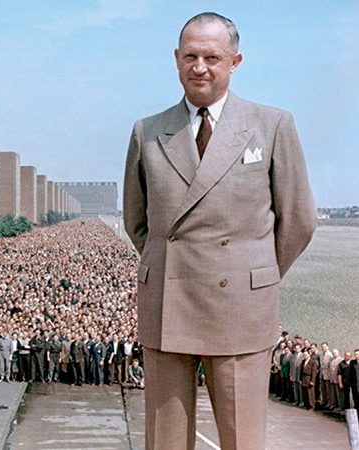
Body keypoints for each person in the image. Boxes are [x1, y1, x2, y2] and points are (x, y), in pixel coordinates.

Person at [122, 12, 316, 449]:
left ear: (235, 61)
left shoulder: (272, 125)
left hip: (240, 308)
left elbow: (299, 220)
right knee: (165, 441)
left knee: (241, 439)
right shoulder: (147, 132)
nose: (200, 67)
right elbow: (138, 222)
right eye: (191, 56)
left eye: (212, 57)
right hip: (168, 302)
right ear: (176, 58)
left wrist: (252, 272)